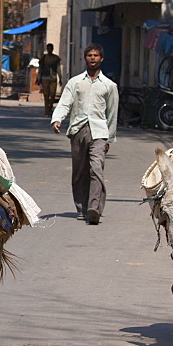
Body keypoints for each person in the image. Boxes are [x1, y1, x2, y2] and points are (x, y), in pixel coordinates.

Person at [50, 43, 118, 225]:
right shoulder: (75, 82)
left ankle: (94, 208)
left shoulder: (109, 86)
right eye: (90, 55)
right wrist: (57, 119)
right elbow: (65, 103)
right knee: (80, 172)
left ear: (101, 59)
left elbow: (112, 114)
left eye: (96, 55)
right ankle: (81, 207)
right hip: (78, 130)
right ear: (85, 58)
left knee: (96, 169)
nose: (93, 58)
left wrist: (109, 138)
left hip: (99, 132)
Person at [38, 43, 62, 117]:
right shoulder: (43, 58)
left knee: (52, 94)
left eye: (50, 48)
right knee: (46, 95)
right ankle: (46, 111)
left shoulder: (56, 58)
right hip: (45, 78)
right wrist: (39, 78)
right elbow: (40, 68)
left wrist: (60, 78)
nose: (49, 50)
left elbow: (58, 68)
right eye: (48, 48)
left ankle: (50, 108)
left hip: (53, 78)